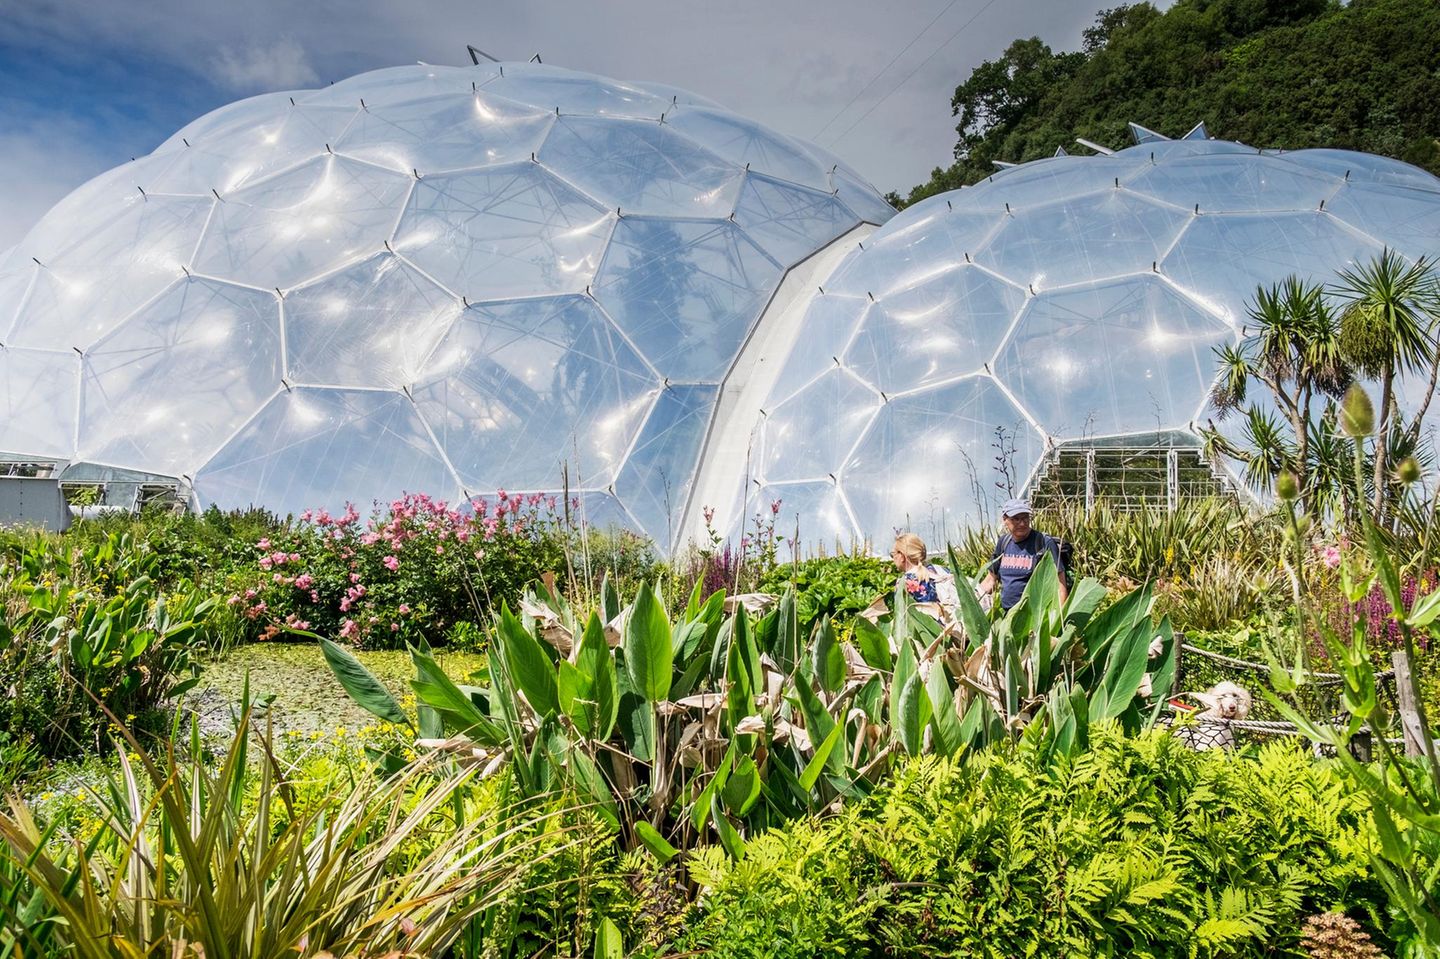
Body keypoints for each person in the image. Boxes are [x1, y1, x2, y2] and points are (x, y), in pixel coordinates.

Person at [978, 498, 1068, 612]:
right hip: (1007, 617)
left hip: (1034, 616)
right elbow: (991, 579)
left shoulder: (1043, 543)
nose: (1022, 523)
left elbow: (1060, 587)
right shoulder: (1003, 542)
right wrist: (972, 601)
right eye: (1016, 519)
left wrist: (1057, 621)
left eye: (1025, 518)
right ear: (1005, 520)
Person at [891, 532, 960, 612]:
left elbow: (902, 616)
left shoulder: (903, 583)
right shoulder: (940, 570)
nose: (893, 559)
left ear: (902, 556)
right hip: (954, 621)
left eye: (893, 554)